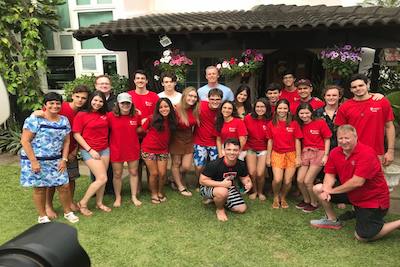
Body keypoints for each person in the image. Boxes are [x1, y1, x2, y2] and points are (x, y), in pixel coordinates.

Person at [310, 125, 400, 241]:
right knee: (319, 188)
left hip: (372, 199)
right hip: (352, 194)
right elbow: (330, 174)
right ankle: (332, 220)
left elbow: (357, 182)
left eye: (347, 138)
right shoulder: (335, 152)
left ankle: (397, 223)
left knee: (362, 236)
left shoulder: (366, 153)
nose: (343, 141)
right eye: (340, 138)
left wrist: (332, 191)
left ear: (356, 137)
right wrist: (326, 189)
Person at [20, 92, 79, 224]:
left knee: (64, 185)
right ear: (45, 105)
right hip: (36, 160)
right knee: (40, 188)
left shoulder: (64, 120)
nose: (55, 106)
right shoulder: (34, 119)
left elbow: (67, 142)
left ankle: (68, 212)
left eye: (58, 103)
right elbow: (25, 141)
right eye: (51, 103)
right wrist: (34, 162)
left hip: (55, 159)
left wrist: (64, 159)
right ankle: (42, 216)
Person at [32, 85, 89, 219]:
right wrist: (34, 113)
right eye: (78, 97)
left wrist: (74, 152)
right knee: (52, 181)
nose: (80, 100)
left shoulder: (84, 112)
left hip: (71, 150)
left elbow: (81, 133)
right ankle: (48, 206)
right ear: (72, 95)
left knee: (71, 178)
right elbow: (42, 114)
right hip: (53, 152)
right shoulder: (61, 107)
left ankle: (69, 203)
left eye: (84, 98)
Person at [335, 73, 395, 166]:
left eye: (361, 85)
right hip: (352, 152)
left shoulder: (381, 102)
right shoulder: (345, 107)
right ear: (351, 90)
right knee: (352, 180)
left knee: (375, 180)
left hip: (376, 153)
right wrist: (341, 153)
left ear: (367, 85)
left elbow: (389, 127)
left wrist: (390, 151)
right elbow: (341, 132)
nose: (358, 88)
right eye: (354, 87)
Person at [73, 91, 111, 216]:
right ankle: (82, 203)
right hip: (89, 150)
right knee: (102, 178)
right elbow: (76, 134)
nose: (98, 103)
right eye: (95, 100)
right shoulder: (82, 114)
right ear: (90, 100)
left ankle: (99, 203)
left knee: (102, 179)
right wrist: (90, 150)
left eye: (100, 101)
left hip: (104, 149)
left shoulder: (105, 114)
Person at [199, 138, 252, 221]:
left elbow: (245, 177)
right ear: (224, 150)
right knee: (222, 192)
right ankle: (220, 209)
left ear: (239, 151)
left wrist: (248, 183)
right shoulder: (215, 164)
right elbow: (202, 181)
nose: (232, 152)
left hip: (227, 187)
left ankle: (218, 199)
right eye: (229, 149)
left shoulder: (241, 164)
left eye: (235, 150)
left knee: (241, 209)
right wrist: (221, 184)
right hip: (207, 187)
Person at [266, 99, 302, 209]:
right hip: (277, 154)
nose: (282, 110)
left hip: (291, 154)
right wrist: (268, 157)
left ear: (288, 109)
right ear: (276, 109)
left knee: (287, 181)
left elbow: (297, 140)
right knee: (277, 179)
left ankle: (283, 196)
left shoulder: (294, 123)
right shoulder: (271, 124)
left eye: (285, 108)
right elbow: (270, 141)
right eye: (280, 108)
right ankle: (276, 196)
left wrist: (298, 157)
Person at [107, 93, 142, 207]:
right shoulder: (110, 116)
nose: (125, 105)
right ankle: (118, 197)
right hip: (117, 148)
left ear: (131, 104)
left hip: (132, 148)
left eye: (128, 103)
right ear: (118, 104)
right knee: (117, 174)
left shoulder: (136, 115)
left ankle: (133, 196)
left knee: (133, 172)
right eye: (123, 103)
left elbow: (140, 128)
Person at [296, 103, 331, 213]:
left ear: (311, 113)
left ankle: (314, 203)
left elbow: (327, 139)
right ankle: (307, 200)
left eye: (307, 113)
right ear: (298, 114)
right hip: (305, 152)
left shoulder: (320, 122)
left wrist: (325, 155)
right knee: (299, 180)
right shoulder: (299, 125)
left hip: (319, 153)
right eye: (302, 113)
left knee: (308, 181)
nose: (304, 115)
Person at [141, 98, 177, 204]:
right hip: (148, 150)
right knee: (154, 173)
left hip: (163, 150)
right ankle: (154, 193)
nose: (164, 109)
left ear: (170, 108)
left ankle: (161, 192)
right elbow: (143, 129)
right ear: (157, 109)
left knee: (162, 173)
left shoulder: (173, 120)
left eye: (166, 106)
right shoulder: (151, 119)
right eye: (161, 107)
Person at [170, 87, 200, 197]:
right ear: (184, 96)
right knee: (176, 163)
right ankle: (181, 187)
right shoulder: (176, 108)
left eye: (195, 96)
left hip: (189, 138)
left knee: (186, 166)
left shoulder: (195, 109)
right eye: (190, 95)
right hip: (176, 138)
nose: (192, 98)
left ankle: (173, 178)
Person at [193, 88, 223, 187]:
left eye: (217, 99)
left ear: (221, 100)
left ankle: (211, 183)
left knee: (215, 166)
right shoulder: (200, 105)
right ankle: (199, 183)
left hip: (215, 142)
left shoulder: (223, 110)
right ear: (208, 98)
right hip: (199, 141)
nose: (215, 102)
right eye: (212, 99)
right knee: (199, 166)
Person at [243, 98, 272, 200]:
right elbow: (244, 134)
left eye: (262, 107)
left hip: (264, 149)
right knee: (252, 172)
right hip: (251, 148)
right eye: (258, 107)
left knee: (260, 174)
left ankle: (260, 192)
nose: (260, 109)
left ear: (267, 108)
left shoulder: (270, 120)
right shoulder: (248, 118)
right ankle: (254, 191)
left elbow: (271, 139)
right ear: (254, 108)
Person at [94, 75, 116, 194]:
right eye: (101, 83)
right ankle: (97, 187)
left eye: (106, 83)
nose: (104, 85)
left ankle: (110, 188)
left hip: (112, 135)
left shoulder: (116, 100)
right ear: (96, 86)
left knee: (110, 163)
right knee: (96, 162)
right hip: (95, 136)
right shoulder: (91, 99)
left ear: (110, 86)